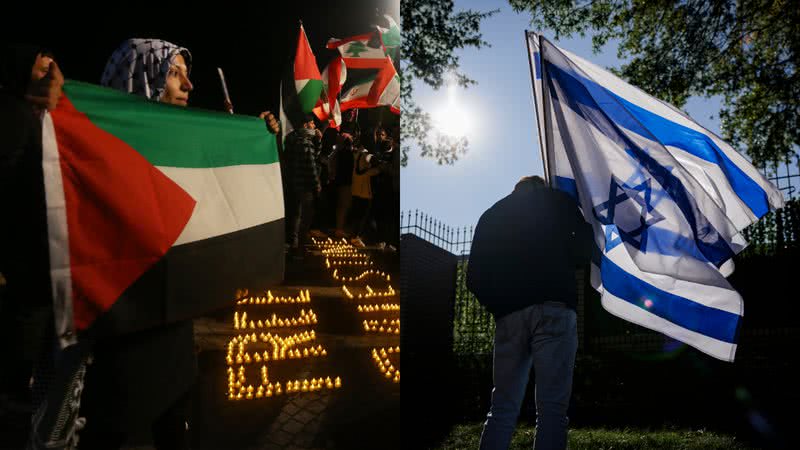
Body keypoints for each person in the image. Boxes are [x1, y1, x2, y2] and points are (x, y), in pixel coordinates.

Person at [466, 175, 593, 450]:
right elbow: (584, 251)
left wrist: (500, 306)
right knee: (552, 410)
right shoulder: (559, 202)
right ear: (541, 186)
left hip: (510, 314)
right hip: (555, 307)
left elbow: (474, 276)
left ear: (516, 190)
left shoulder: (492, 215)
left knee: (502, 407)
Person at [284, 113, 323, 255]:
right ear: (306, 125)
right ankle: (300, 246)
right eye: (312, 124)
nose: (314, 126)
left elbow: (314, 154)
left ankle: (292, 243)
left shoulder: (292, 138)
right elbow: (311, 165)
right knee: (305, 216)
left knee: (295, 214)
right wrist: (316, 184)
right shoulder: (305, 141)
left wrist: (318, 141)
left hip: (293, 183)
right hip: (305, 185)